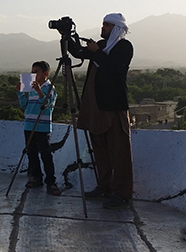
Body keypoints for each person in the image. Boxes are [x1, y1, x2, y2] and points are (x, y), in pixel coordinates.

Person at [70, 13, 133, 210]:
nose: (102, 28)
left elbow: (113, 67)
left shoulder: (123, 46)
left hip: (113, 106)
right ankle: (104, 187)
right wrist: (68, 36)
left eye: (106, 25)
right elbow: (79, 53)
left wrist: (97, 51)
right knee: (100, 150)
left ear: (115, 28)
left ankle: (121, 193)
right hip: (96, 106)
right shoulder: (101, 45)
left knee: (119, 151)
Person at [15, 61, 60, 195]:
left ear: (45, 74)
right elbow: (25, 106)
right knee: (31, 153)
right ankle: (36, 177)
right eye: (32, 72)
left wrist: (39, 91)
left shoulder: (49, 88)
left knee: (46, 154)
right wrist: (20, 93)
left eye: (36, 72)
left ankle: (51, 181)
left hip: (42, 126)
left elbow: (46, 104)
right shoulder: (31, 89)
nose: (34, 74)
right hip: (29, 124)